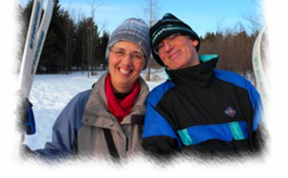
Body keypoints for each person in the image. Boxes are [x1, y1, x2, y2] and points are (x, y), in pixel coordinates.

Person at [22, 18, 151, 160]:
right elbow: (59, 154)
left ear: (144, 63)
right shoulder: (81, 105)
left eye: (136, 55)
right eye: (120, 52)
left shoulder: (155, 110)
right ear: (109, 56)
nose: (126, 62)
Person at [142, 13, 263, 156]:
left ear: (193, 40)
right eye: (159, 46)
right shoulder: (158, 101)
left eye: (172, 37)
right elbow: (159, 160)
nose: (167, 47)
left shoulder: (239, 85)